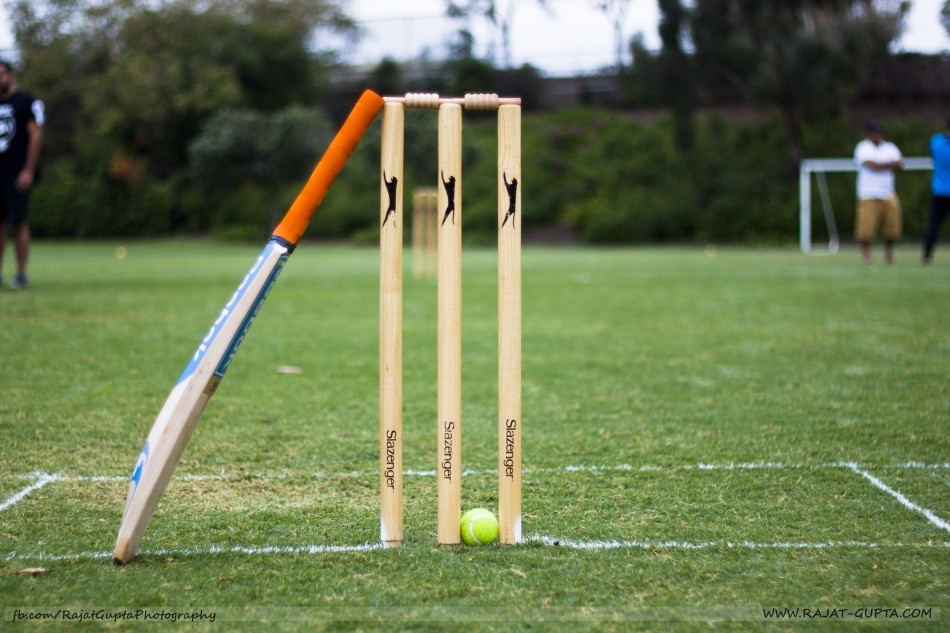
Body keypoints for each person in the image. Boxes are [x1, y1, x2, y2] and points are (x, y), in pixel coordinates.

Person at [0, 60, 44, 289]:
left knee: (18, 220)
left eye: (1, 74)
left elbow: (36, 135)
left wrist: (28, 169)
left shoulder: (25, 102)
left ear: (11, 75)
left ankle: (21, 274)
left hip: (16, 173)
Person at [853, 120, 903, 265]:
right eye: (873, 132)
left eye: (878, 132)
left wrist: (880, 165)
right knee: (866, 229)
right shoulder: (862, 147)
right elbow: (870, 164)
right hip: (868, 194)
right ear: (868, 134)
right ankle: (866, 255)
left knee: (892, 227)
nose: (876, 135)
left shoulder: (890, 147)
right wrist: (888, 164)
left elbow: (899, 163)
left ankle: (888, 253)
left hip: (888, 193)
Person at [922, 116, 950, 264]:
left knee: (934, 225)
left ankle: (926, 254)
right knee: (934, 225)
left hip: (939, 191)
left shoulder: (936, 141)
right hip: (941, 190)